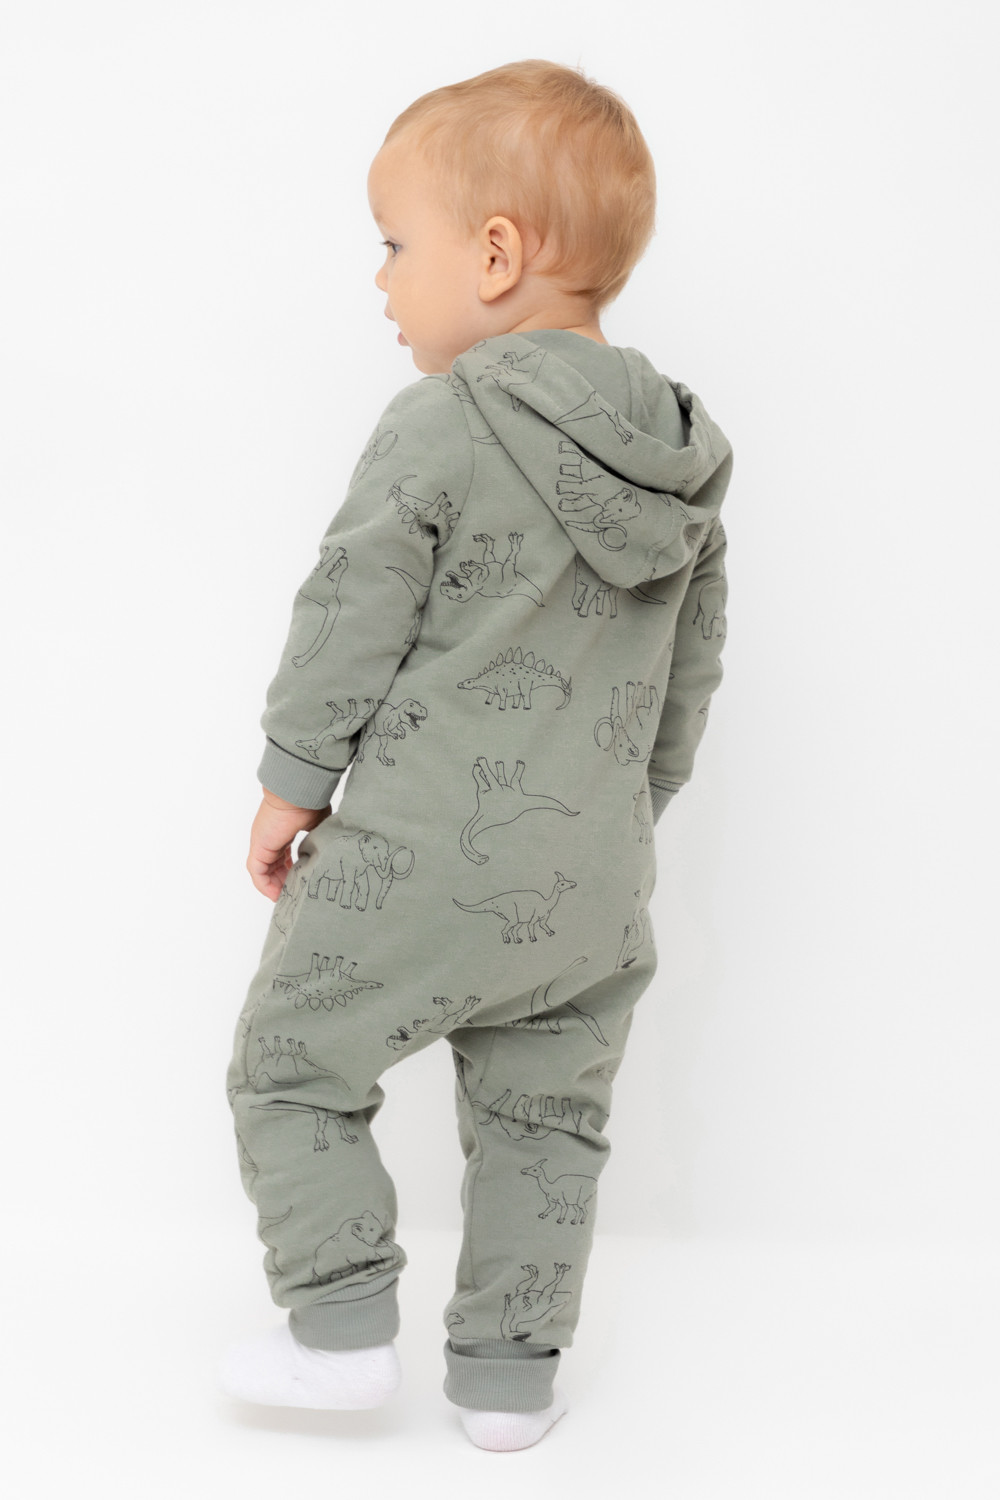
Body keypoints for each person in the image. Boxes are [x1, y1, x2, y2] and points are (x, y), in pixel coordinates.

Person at [219, 59, 733, 1452]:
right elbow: (690, 674)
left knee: (289, 1062)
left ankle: (337, 1330)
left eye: (396, 244)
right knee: (544, 1125)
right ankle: (510, 1384)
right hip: (595, 873)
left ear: (496, 256)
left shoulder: (442, 419)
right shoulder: (682, 456)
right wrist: (624, 814)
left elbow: (351, 611)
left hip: (424, 851)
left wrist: (291, 783)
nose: (383, 281)